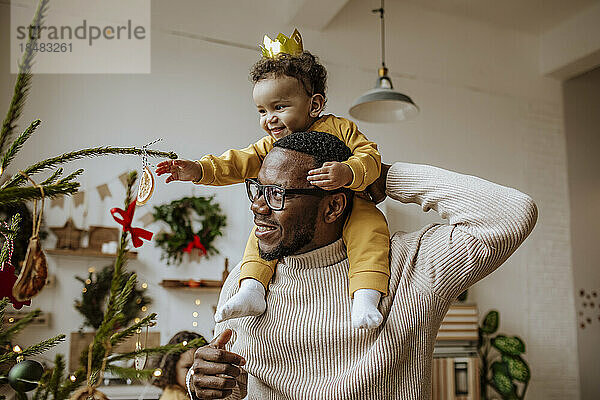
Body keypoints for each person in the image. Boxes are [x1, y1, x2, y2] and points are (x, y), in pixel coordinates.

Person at [186, 131, 538, 399]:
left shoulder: (410, 266)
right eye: (257, 189)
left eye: (278, 194)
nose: (258, 206)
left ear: (333, 207)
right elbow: (235, 385)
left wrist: (377, 176)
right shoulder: (248, 282)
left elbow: (510, 213)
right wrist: (208, 384)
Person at [156, 30, 389, 330]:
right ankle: (252, 289)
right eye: (262, 111)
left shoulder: (339, 127)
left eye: (279, 107)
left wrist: (349, 172)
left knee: (370, 230)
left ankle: (366, 296)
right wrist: (200, 170)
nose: (269, 119)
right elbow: (240, 161)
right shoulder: (272, 146)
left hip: (349, 202)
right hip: (296, 217)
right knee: (263, 231)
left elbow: (370, 156)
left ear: (314, 105)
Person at [151, 331, 204, 400]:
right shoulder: (176, 397)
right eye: (188, 367)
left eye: (200, 367)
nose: (194, 372)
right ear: (172, 368)